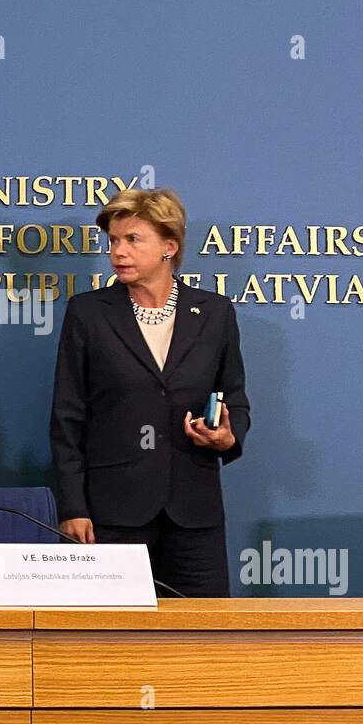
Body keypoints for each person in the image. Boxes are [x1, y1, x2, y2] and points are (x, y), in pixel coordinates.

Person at [49, 188, 250, 596]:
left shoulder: (214, 313)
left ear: (168, 247)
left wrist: (229, 437)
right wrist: (72, 506)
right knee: (111, 646)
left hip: (194, 512)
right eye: (113, 242)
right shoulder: (87, 313)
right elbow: (67, 416)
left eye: (133, 240)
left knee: (204, 643)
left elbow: (236, 399)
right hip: (112, 512)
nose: (118, 252)